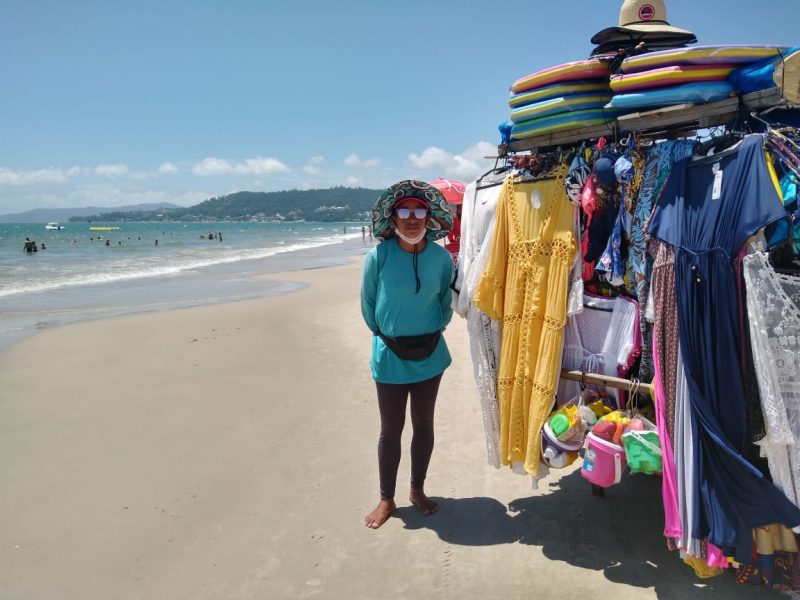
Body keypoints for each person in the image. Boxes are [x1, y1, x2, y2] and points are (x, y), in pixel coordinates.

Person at [360, 180, 455, 529]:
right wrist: (388, 337)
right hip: (390, 356)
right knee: (391, 429)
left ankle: (417, 490)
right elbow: (368, 305)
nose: (411, 218)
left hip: (431, 356)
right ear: (393, 217)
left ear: (429, 217)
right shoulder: (378, 257)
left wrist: (430, 331)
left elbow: (445, 302)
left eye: (419, 211)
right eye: (404, 210)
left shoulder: (441, 258)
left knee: (424, 424)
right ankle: (386, 498)